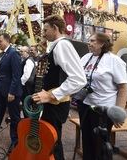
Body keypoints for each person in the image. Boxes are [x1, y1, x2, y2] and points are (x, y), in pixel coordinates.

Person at [31, 14, 87, 160]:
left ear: (55, 28)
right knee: (49, 141)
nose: (43, 33)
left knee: (53, 144)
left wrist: (51, 95)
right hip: (51, 104)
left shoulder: (62, 45)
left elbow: (79, 79)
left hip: (55, 104)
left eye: (45, 30)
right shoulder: (56, 45)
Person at [76, 32, 127, 160]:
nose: (89, 43)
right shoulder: (86, 57)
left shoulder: (114, 60)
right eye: (89, 40)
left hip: (103, 109)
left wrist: (118, 113)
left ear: (102, 43)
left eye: (93, 41)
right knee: (87, 141)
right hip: (85, 105)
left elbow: (123, 88)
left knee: (100, 145)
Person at [19, 46, 36, 116]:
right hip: (26, 85)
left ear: (26, 52)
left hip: (27, 86)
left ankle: (27, 120)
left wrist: (20, 83)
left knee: (26, 104)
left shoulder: (29, 61)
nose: (20, 53)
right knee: (25, 104)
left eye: (22, 51)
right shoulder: (26, 59)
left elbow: (26, 75)